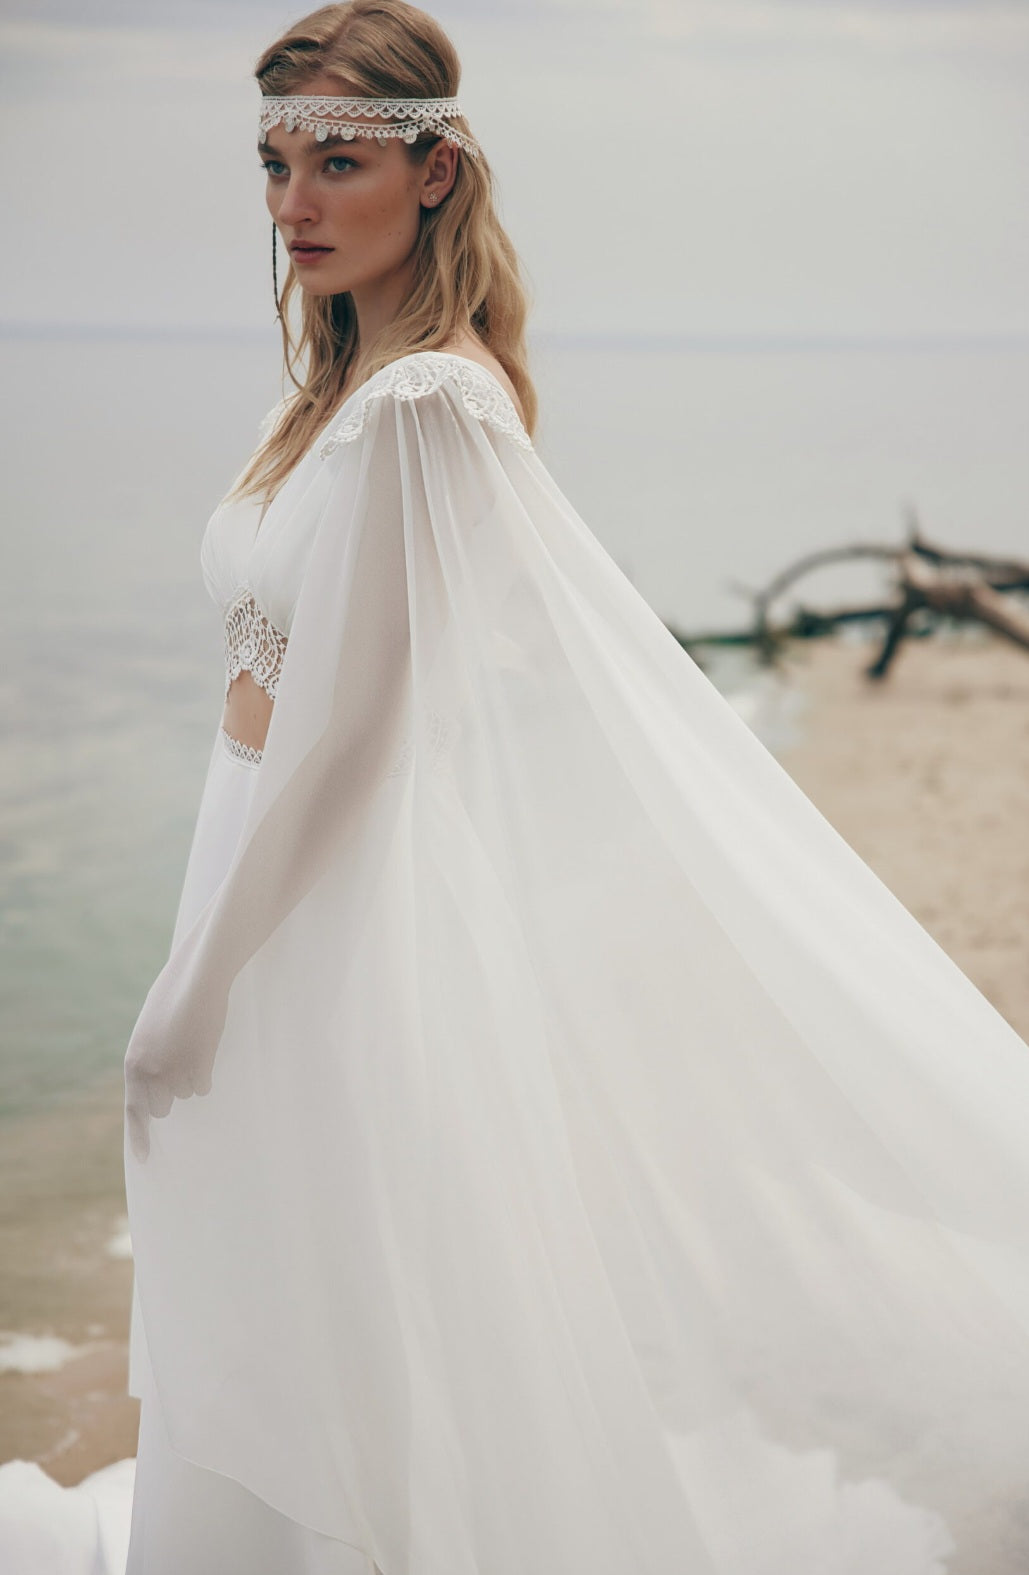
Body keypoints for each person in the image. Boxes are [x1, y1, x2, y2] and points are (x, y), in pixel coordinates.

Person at [122, 2, 1029, 1572]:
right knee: (294, 1289)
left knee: (324, 1296)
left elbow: (348, 735)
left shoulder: (424, 404)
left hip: (319, 909)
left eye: (338, 162)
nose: (294, 206)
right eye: (275, 166)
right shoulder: (341, 388)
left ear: (434, 175)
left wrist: (196, 987)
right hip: (262, 861)